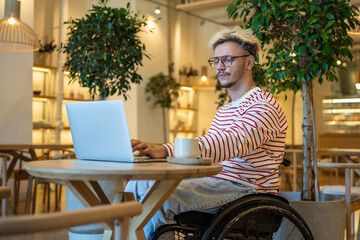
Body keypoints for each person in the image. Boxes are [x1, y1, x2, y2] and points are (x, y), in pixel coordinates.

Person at [127, 27, 288, 239]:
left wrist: (166, 150)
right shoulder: (225, 111)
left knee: (158, 198)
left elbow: (228, 143)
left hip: (247, 191)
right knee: (136, 184)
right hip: (216, 185)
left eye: (228, 59)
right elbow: (210, 152)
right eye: (216, 60)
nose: (220, 67)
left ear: (249, 62)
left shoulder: (264, 106)